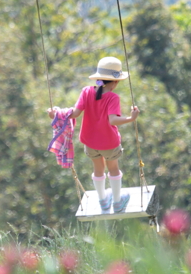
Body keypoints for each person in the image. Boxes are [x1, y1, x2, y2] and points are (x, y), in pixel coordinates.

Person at [49, 56, 140, 212]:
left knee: (98, 169)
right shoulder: (112, 97)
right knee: (113, 169)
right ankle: (117, 202)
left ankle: (103, 201)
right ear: (115, 82)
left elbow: (75, 113)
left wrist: (56, 114)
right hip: (109, 143)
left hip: (90, 142)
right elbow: (112, 120)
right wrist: (131, 118)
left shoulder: (86, 91)